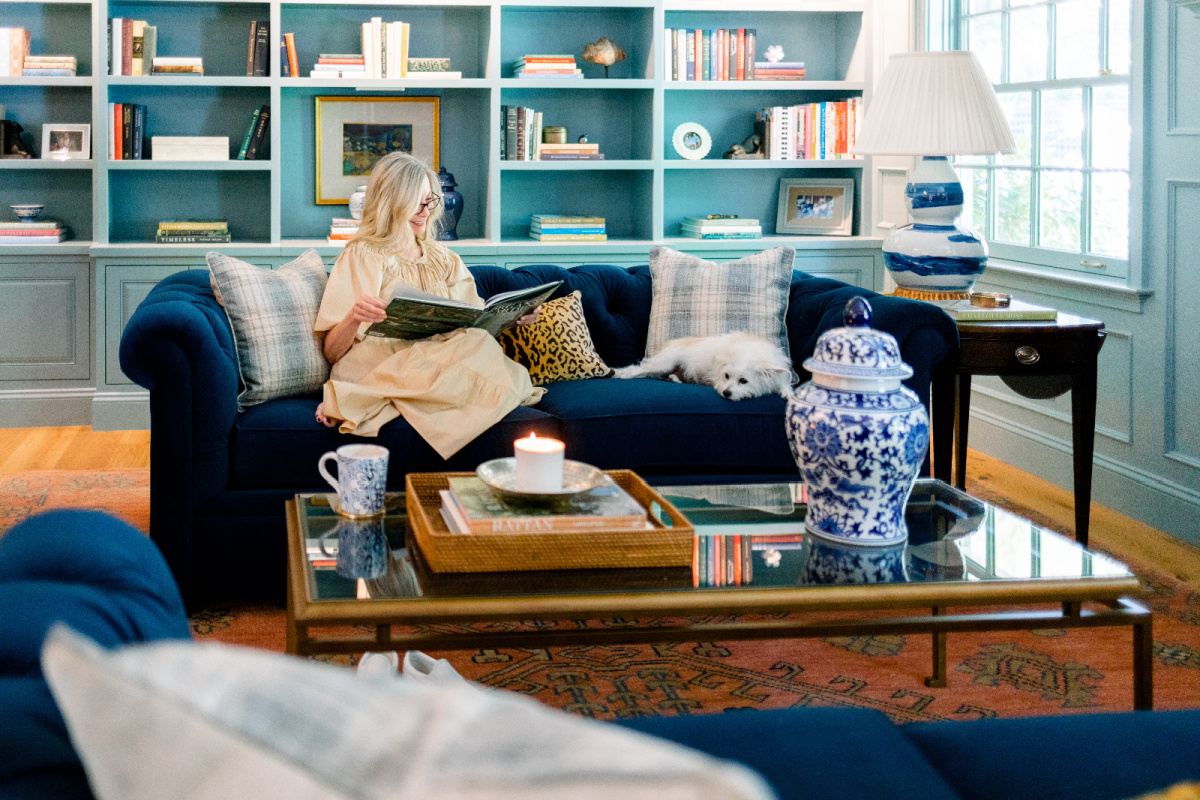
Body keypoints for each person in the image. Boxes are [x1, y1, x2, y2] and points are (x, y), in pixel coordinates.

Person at [314, 152, 543, 459]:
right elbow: (331, 352)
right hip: (383, 363)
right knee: (480, 358)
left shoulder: (445, 259)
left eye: (429, 201)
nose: (425, 212)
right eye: (416, 203)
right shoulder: (363, 254)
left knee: (478, 344)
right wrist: (354, 317)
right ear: (391, 202)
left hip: (437, 358)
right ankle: (358, 397)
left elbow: (475, 323)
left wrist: (512, 317)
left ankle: (384, 400)